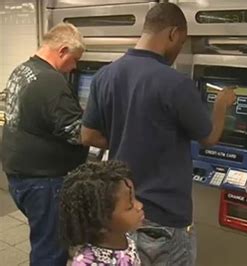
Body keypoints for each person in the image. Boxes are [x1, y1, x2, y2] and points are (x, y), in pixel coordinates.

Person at [81, 3, 236, 265]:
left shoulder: (104, 75)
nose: (177, 50)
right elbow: (209, 138)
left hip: (123, 212)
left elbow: (88, 136)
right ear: (173, 33)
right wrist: (221, 104)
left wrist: (128, 137)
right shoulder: (175, 83)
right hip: (167, 216)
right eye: (181, 41)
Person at [1, 22, 89, 266]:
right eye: (74, 59)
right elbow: (79, 133)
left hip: (21, 176)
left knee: (44, 241)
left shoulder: (23, 69)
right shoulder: (51, 81)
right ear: (62, 51)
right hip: (44, 182)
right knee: (50, 251)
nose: (75, 67)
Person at [59, 161, 144, 266]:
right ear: (101, 222)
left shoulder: (122, 236)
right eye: (129, 207)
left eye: (134, 199)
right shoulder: (88, 263)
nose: (139, 206)